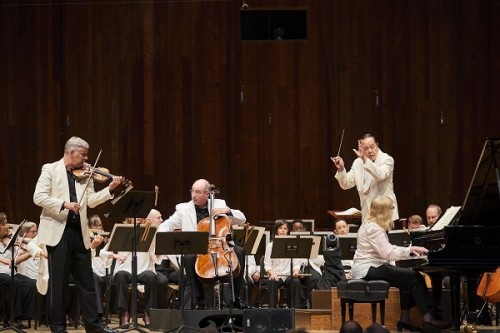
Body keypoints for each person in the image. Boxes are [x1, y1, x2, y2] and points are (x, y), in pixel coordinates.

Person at [33, 136, 122, 333]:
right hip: (58, 232)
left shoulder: (85, 174)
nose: (86, 159)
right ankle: (58, 327)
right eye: (83, 154)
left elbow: (90, 201)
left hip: (79, 234)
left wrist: (109, 189)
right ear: (71, 152)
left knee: (87, 282)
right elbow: (38, 197)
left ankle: (94, 326)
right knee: (59, 284)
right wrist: (64, 204)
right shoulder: (50, 169)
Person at [351, 196, 448, 332]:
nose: (392, 212)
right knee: (415, 277)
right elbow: (388, 253)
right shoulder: (374, 228)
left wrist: (411, 249)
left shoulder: (370, 225)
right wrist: (409, 250)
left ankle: (405, 318)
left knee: (406, 278)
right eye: (391, 209)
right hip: (369, 268)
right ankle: (428, 320)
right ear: (384, 211)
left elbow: (388, 247)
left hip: (371, 267)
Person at [158, 179, 247, 310]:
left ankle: (236, 297)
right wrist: (163, 237)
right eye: (192, 191)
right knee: (188, 258)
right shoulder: (183, 208)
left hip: (219, 245)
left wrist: (227, 211)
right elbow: (167, 224)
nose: (194, 195)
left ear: (207, 193)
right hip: (197, 247)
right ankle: (199, 299)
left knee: (239, 251)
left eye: (198, 192)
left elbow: (242, 218)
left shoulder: (219, 203)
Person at [100, 211, 167, 327]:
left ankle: (148, 313)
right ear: (128, 217)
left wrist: (160, 250)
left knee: (151, 276)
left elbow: (155, 257)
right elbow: (103, 252)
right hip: (124, 270)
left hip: (143, 269)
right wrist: (116, 255)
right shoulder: (121, 231)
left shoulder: (148, 232)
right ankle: (124, 313)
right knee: (121, 275)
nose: (138, 217)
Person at [331, 134, 399, 221]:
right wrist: (341, 169)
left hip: (384, 215)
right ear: (361, 149)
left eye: (372, 146)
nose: (370, 151)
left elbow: (380, 175)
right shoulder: (357, 163)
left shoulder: (386, 159)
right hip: (367, 216)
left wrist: (365, 159)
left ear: (377, 145)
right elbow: (346, 184)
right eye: (366, 149)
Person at [0, 213, 38, 328]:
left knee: (30, 283)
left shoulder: (6, 241)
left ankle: (23, 316)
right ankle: (12, 318)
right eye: (3, 224)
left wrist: (31, 252)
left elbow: (16, 259)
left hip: (10, 272)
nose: (7, 226)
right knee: (14, 282)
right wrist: (5, 261)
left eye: (6, 223)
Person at [263, 220, 307, 308]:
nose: (283, 230)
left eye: (285, 228)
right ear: (276, 230)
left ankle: (295, 311)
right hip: (276, 275)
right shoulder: (270, 246)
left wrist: (296, 271)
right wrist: (272, 273)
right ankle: (272, 310)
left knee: (295, 282)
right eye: (280, 228)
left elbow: (296, 263)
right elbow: (267, 264)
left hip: (288, 275)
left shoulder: (293, 244)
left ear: (288, 231)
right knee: (271, 282)